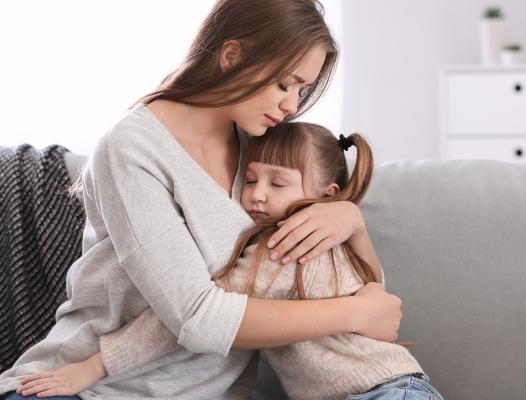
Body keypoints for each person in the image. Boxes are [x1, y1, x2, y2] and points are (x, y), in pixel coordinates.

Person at [0, 1, 402, 399]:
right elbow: (200, 320)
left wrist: (352, 220)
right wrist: (355, 315)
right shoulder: (133, 147)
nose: (292, 105)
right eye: (284, 84)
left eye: (302, 89)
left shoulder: (262, 151)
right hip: (89, 386)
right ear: (231, 56)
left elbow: (348, 285)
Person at [17, 122, 444, 400]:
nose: (257, 194)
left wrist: (96, 365)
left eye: (277, 183)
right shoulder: (327, 233)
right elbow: (372, 293)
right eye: (252, 179)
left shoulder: (281, 248)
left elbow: (184, 318)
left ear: (327, 193)